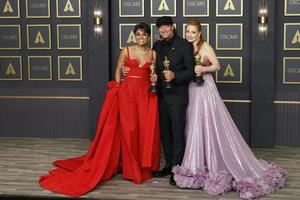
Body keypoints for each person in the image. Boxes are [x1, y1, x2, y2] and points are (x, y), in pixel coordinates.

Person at [39, 22, 160, 197]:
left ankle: (142, 166)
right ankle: (132, 170)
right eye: (138, 34)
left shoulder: (153, 54)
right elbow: (118, 70)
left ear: (149, 37)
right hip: (127, 95)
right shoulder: (126, 51)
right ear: (135, 36)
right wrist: (118, 88)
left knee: (142, 132)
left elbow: (151, 74)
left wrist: (154, 78)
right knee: (129, 131)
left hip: (144, 95)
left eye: (144, 35)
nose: (141, 37)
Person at [173, 19, 287, 199]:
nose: (189, 35)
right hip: (191, 90)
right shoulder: (185, 48)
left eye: (193, 32)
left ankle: (215, 161)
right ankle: (196, 164)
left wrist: (203, 68)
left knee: (209, 123)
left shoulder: (205, 47)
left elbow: (217, 66)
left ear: (199, 33)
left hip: (205, 89)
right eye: (187, 32)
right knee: (194, 125)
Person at [151, 16, 195, 186]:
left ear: (173, 26)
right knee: (165, 133)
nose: (163, 30)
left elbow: (192, 71)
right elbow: (151, 66)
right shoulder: (156, 45)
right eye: (160, 28)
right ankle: (169, 164)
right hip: (160, 95)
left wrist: (175, 75)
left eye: (166, 27)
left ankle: (178, 169)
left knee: (177, 133)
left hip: (177, 96)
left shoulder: (184, 44)